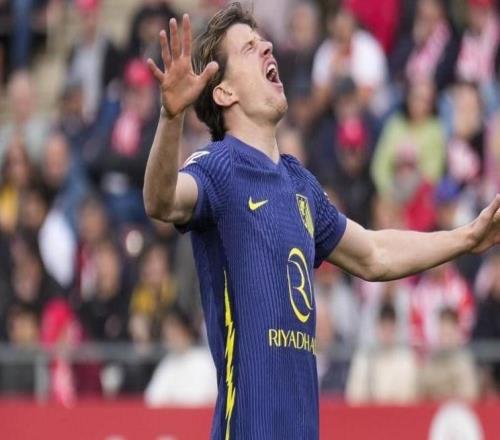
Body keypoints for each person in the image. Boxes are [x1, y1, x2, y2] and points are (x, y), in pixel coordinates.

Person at [143, 4, 500, 438]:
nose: (267, 46)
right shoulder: (218, 167)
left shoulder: (301, 185)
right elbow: (161, 200)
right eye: (249, 47)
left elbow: (374, 253)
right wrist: (171, 117)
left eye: (263, 40)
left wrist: (467, 237)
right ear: (224, 93)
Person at [346, 303, 418, 404]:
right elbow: (353, 396)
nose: (387, 332)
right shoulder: (363, 359)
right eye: (383, 326)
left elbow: (409, 398)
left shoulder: (406, 360)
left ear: (397, 328)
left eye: (391, 326)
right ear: (376, 327)